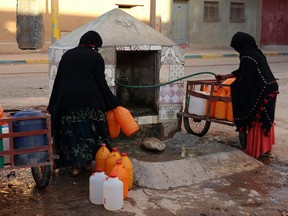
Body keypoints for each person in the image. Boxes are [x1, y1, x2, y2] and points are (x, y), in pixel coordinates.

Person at [47, 30, 119, 176]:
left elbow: (58, 81)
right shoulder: (96, 57)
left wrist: (53, 104)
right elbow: (101, 82)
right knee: (92, 134)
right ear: (95, 45)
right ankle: (87, 164)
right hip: (89, 103)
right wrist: (112, 101)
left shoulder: (67, 55)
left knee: (72, 135)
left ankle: (75, 167)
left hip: (66, 103)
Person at [216, 31, 279, 159]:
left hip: (262, 90)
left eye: (237, 47)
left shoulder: (247, 56)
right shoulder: (256, 53)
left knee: (255, 116)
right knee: (265, 118)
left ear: (240, 45)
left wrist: (235, 89)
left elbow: (246, 80)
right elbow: (242, 71)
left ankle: (257, 150)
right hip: (271, 88)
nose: (238, 50)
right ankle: (266, 149)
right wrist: (226, 76)